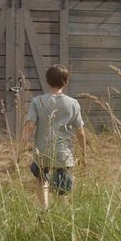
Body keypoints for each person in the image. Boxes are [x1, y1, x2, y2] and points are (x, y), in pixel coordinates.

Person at [20, 64, 86, 211]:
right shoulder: (73, 103)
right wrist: (83, 155)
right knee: (62, 190)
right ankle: (64, 214)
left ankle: (45, 209)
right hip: (63, 153)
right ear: (66, 81)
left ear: (47, 81)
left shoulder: (37, 101)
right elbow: (80, 132)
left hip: (42, 151)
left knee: (41, 179)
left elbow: (30, 126)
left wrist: (21, 147)